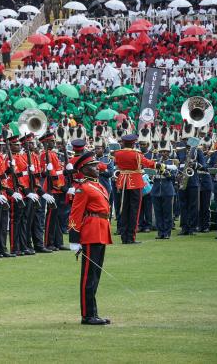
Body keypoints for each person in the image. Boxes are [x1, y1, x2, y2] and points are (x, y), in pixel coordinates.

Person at [68, 151, 112, 325]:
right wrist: (74, 239)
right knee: (88, 276)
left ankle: (93, 312)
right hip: (91, 231)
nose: (97, 167)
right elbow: (75, 213)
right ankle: (87, 315)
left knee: (96, 275)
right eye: (93, 166)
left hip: (101, 229)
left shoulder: (98, 185)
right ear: (84, 169)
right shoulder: (83, 188)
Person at [115, 134, 169, 244]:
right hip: (134, 182)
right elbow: (147, 163)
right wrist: (158, 165)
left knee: (124, 210)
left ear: (124, 143)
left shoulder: (118, 153)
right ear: (133, 143)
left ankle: (124, 236)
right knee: (134, 211)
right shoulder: (136, 154)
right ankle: (130, 237)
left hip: (122, 182)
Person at [152, 143, 177, 239]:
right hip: (156, 190)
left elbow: (174, 177)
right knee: (158, 213)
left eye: (165, 151)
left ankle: (167, 232)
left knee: (167, 213)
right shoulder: (155, 162)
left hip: (167, 190)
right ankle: (160, 232)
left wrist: (166, 172)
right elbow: (152, 176)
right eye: (161, 151)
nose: (163, 153)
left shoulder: (172, 162)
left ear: (169, 152)